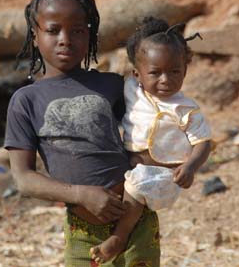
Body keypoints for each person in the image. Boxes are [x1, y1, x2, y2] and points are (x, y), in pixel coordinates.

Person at [4, 0, 161, 267]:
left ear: (90, 34)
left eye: (77, 30)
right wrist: (80, 194)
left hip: (135, 222)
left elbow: (150, 126)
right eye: (53, 30)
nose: (65, 39)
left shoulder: (113, 85)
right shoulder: (26, 101)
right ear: (34, 35)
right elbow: (23, 179)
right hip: (83, 231)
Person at [90, 16, 213, 264]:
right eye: (155, 73)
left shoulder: (186, 108)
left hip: (163, 176)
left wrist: (190, 167)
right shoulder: (130, 90)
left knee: (136, 189)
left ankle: (119, 237)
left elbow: (203, 142)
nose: (165, 80)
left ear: (185, 70)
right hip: (130, 166)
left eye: (174, 71)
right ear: (137, 73)